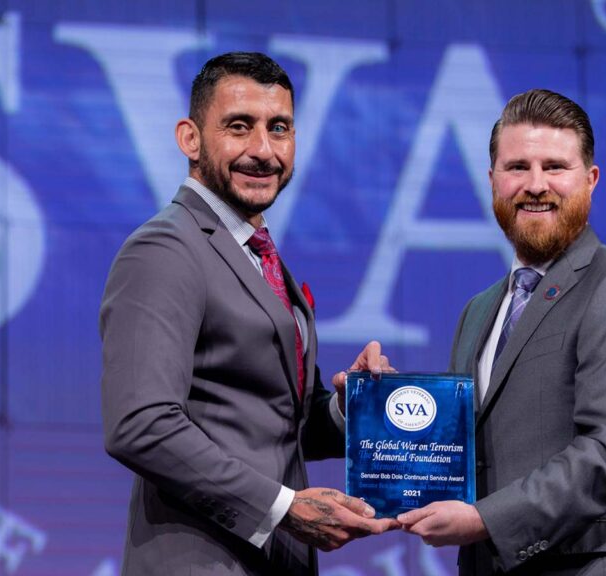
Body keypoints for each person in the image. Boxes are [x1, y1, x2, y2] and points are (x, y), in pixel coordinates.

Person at [100, 52, 396, 575]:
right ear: (190, 139)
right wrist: (282, 508)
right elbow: (140, 424)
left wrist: (347, 410)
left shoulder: (256, 254)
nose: (263, 150)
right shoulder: (166, 249)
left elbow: (271, 426)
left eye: (278, 128)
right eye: (239, 127)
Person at [397, 89, 606, 575]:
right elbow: (459, 450)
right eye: (517, 168)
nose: (535, 185)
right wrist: (375, 406)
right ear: (491, 181)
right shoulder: (479, 310)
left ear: (590, 180)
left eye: (555, 167)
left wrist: (487, 519)